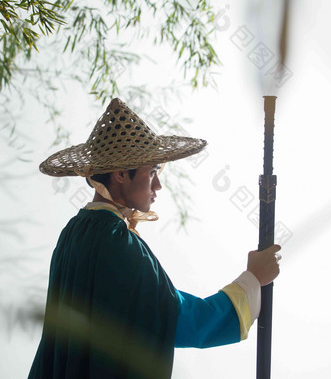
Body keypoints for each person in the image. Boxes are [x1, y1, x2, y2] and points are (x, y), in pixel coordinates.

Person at [28, 97, 281, 379]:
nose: (158, 184)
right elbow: (177, 319)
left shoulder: (74, 233)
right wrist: (253, 280)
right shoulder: (115, 241)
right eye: (151, 172)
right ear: (121, 174)